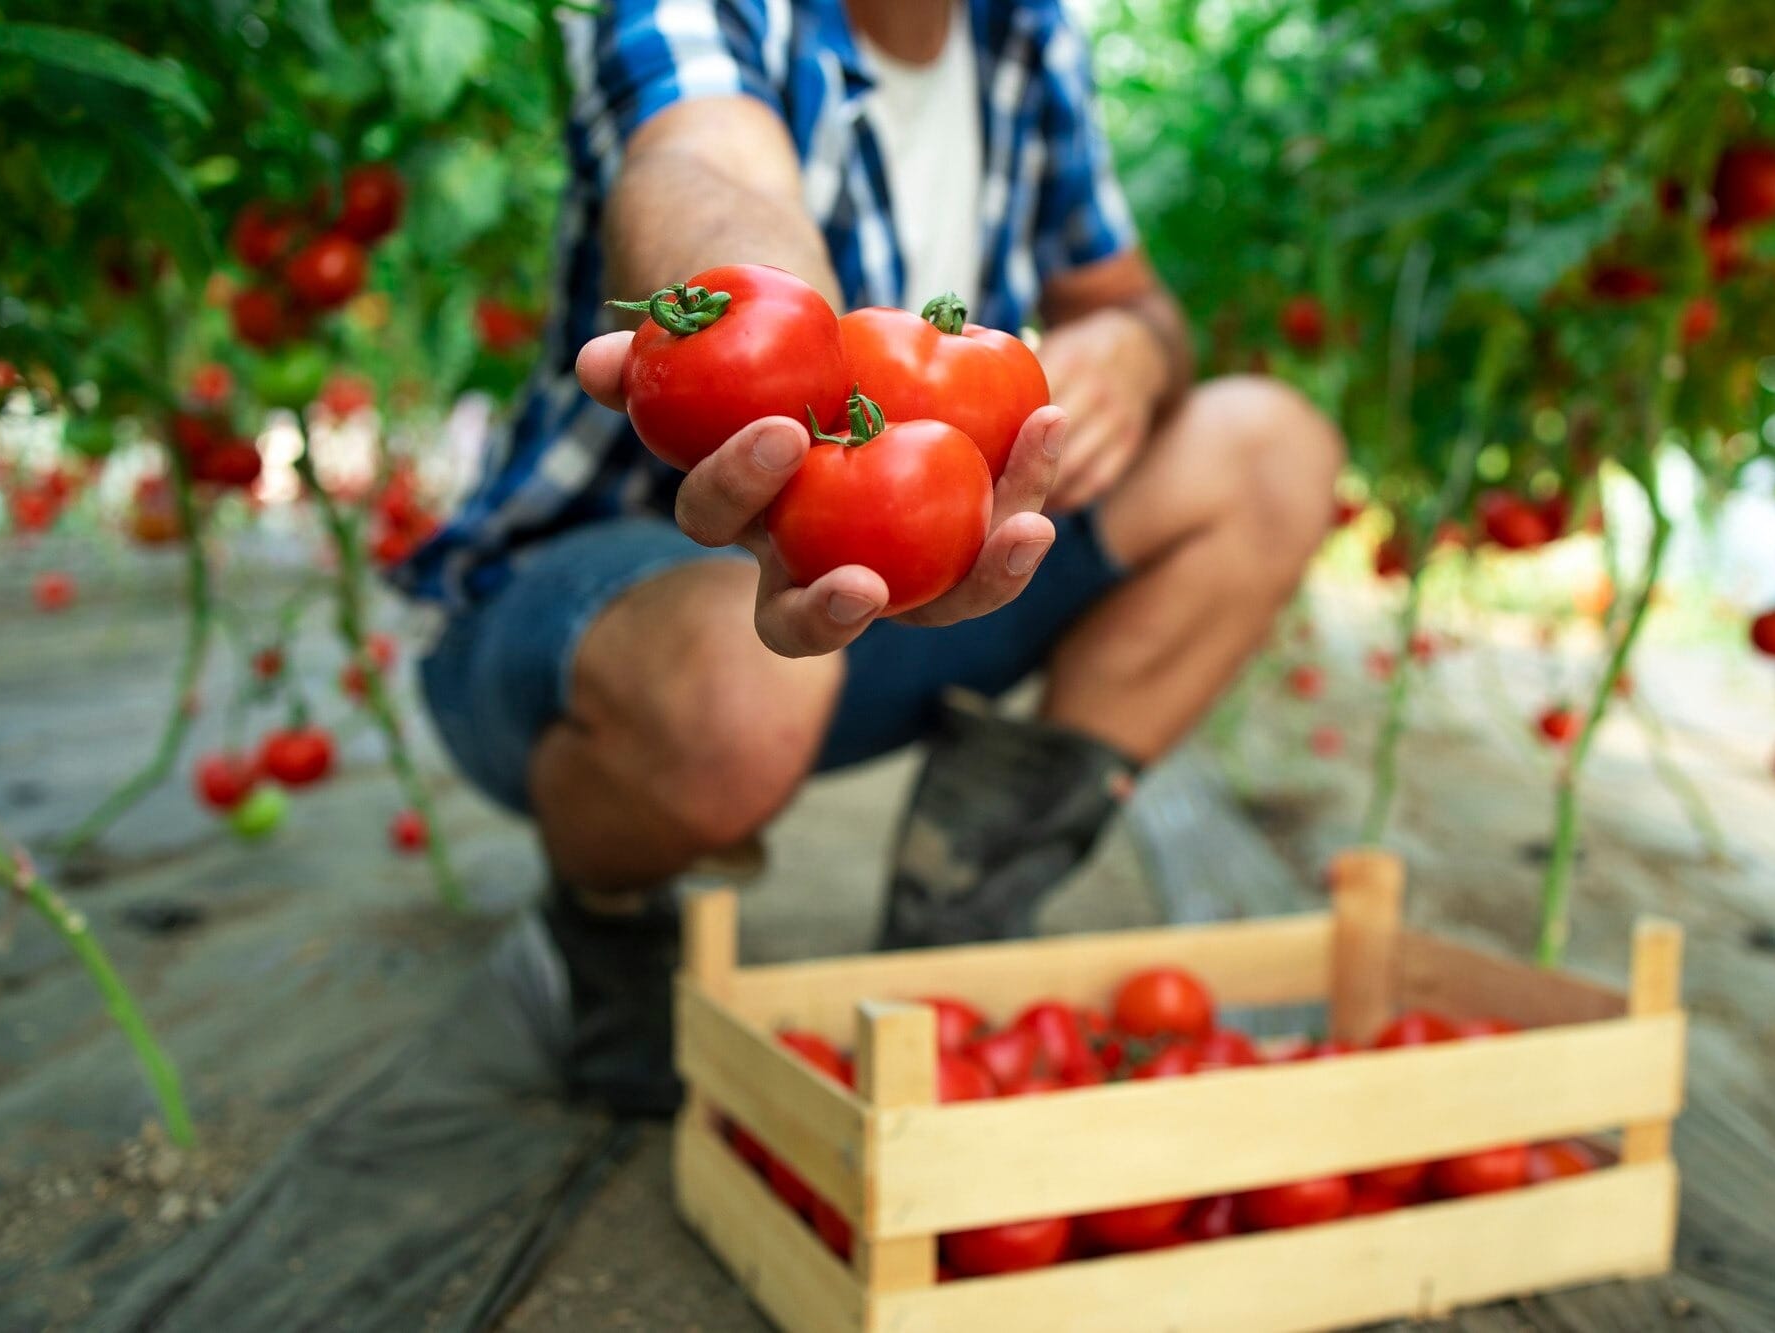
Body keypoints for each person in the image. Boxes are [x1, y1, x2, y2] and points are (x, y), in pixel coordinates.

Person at [396, 0, 1341, 1115]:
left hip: (913, 563)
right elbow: (705, 166)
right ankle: (606, 922)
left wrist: (1130, 348)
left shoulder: (1024, 33)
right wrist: (764, 356)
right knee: (735, 688)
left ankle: (965, 893)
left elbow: (1128, 296)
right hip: (601, 613)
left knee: (1271, 449)